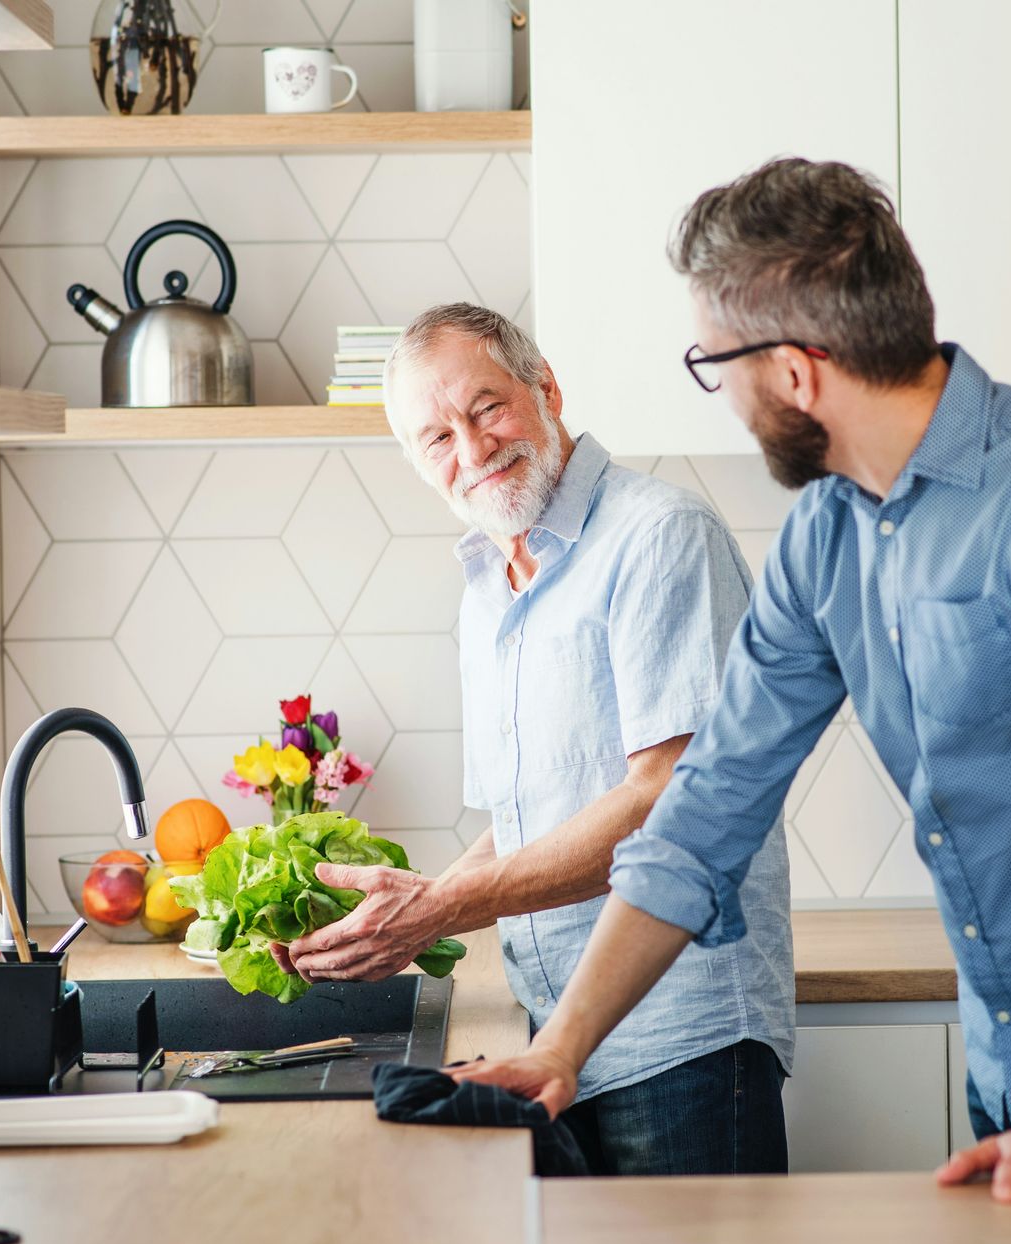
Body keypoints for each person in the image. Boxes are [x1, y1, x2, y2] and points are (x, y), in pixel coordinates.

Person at [452, 159, 1011, 1207]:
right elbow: (708, 803)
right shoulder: (829, 531)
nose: (724, 397)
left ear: (797, 372)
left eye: (715, 366)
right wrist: (564, 1048)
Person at [280, 302, 795, 1176]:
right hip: (552, 1040)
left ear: (546, 389)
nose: (473, 449)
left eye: (486, 409)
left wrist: (441, 908)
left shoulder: (659, 536)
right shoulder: (487, 587)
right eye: (436, 437)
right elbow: (528, 817)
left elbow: (669, 801)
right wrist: (415, 908)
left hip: (676, 1036)